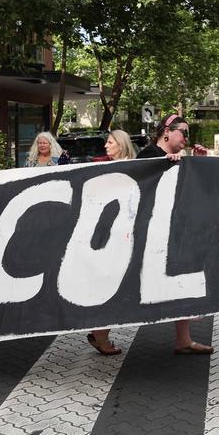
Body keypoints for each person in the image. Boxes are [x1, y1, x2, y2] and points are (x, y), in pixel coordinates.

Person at [137, 114, 213, 354]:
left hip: (171, 234)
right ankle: (100, 333)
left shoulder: (175, 158)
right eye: (184, 132)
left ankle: (184, 339)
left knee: (182, 282)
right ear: (167, 131)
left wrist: (197, 163)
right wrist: (165, 165)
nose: (187, 138)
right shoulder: (149, 155)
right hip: (148, 236)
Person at [87, 129, 138, 356]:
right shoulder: (105, 166)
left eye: (109, 142)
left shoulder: (136, 167)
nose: (106, 146)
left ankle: (100, 333)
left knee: (114, 288)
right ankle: (100, 334)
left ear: (121, 144)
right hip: (110, 237)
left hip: (125, 236)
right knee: (111, 287)